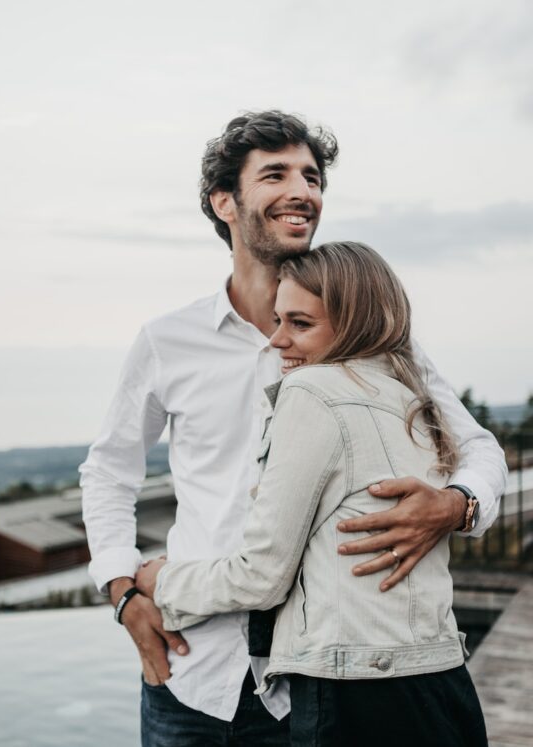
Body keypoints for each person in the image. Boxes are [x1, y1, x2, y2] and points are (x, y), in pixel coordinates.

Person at [80, 111, 506, 746]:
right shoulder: (167, 341)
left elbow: (476, 445)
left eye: (311, 176)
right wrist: (123, 592)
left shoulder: (375, 340)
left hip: (313, 686)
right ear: (224, 202)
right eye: (275, 174)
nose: (302, 190)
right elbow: (109, 472)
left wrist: (456, 504)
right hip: (189, 670)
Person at [135, 241, 489, 746]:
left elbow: (261, 576)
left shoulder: (311, 392)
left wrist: (162, 582)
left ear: (355, 324)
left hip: (356, 694)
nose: (277, 341)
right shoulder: (412, 397)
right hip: (442, 680)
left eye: (300, 324)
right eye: (279, 321)